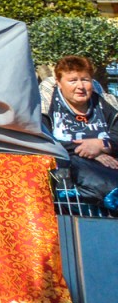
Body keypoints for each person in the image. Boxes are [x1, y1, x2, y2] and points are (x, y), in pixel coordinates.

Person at [42, 55, 118, 212]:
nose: (80, 86)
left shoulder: (103, 104)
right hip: (67, 176)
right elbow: (44, 139)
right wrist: (90, 153)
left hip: (109, 167)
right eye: (72, 80)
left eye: (85, 80)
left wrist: (101, 145)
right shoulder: (47, 106)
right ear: (59, 83)